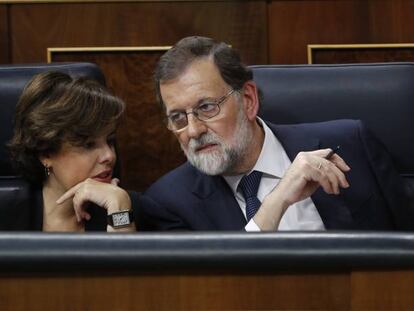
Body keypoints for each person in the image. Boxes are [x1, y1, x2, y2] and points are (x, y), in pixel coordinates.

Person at [137, 35, 413, 231]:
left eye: (207, 107)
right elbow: (220, 291)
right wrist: (278, 199)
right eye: (178, 118)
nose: (194, 130)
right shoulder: (169, 203)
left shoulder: (351, 143)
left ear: (247, 100)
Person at [8, 71, 136, 232]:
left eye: (109, 141)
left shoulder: (128, 206)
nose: (109, 156)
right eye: (88, 145)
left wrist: (120, 213)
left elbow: (123, 256)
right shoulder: (9, 213)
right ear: (46, 153)